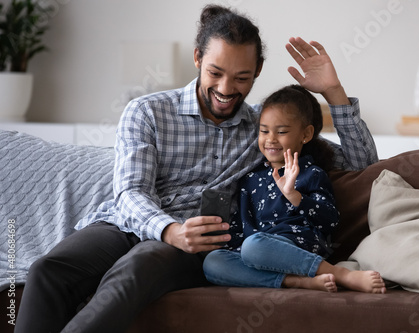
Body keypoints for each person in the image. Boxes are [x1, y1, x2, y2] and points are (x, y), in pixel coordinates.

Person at [15, 4, 379, 333]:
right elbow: (130, 193)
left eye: (241, 78)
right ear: (197, 59)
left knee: (135, 270)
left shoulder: (263, 131)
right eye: (215, 72)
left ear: (257, 72)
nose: (226, 88)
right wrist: (168, 229)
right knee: (46, 270)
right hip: (126, 224)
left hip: (196, 243)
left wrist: (333, 92)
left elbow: (363, 166)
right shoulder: (148, 112)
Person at [203, 85, 386, 293]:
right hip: (259, 250)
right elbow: (242, 224)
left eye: (281, 132)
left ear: (306, 134)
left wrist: (294, 195)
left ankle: (340, 274)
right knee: (213, 262)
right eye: (264, 131)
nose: (271, 139)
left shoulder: (311, 173)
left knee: (254, 246)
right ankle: (295, 281)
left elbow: (330, 220)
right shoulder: (251, 177)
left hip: (297, 247)